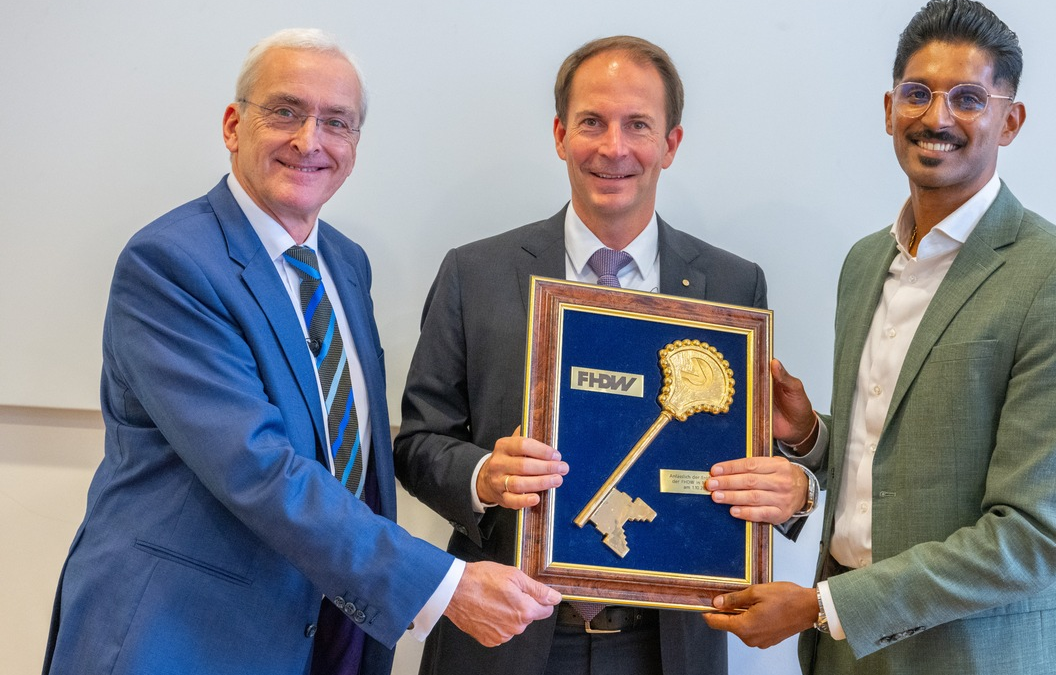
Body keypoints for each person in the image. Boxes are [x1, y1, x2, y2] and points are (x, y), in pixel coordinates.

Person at [43, 28, 559, 675]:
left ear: (354, 145)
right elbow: (258, 468)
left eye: (336, 122)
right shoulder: (171, 264)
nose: (309, 140)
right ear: (234, 125)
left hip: (323, 631)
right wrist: (442, 585)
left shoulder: (345, 264)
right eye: (285, 111)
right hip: (180, 634)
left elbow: (356, 461)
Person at [703, 2, 1056, 674]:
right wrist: (811, 435)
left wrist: (819, 605)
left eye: (968, 98)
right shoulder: (865, 263)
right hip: (843, 656)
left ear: (1009, 120)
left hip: (974, 657)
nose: (936, 117)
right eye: (918, 94)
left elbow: (1031, 539)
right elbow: (900, 461)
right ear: (888, 108)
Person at [394, 35, 786, 675]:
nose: (614, 148)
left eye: (638, 125)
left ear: (671, 144)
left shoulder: (733, 286)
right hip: (503, 634)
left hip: (664, 646)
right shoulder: (476, 272)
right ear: (559, 135)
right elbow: (415, 444)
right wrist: (484, 476)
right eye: (592, 123)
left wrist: (789, 485)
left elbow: (746, 461)